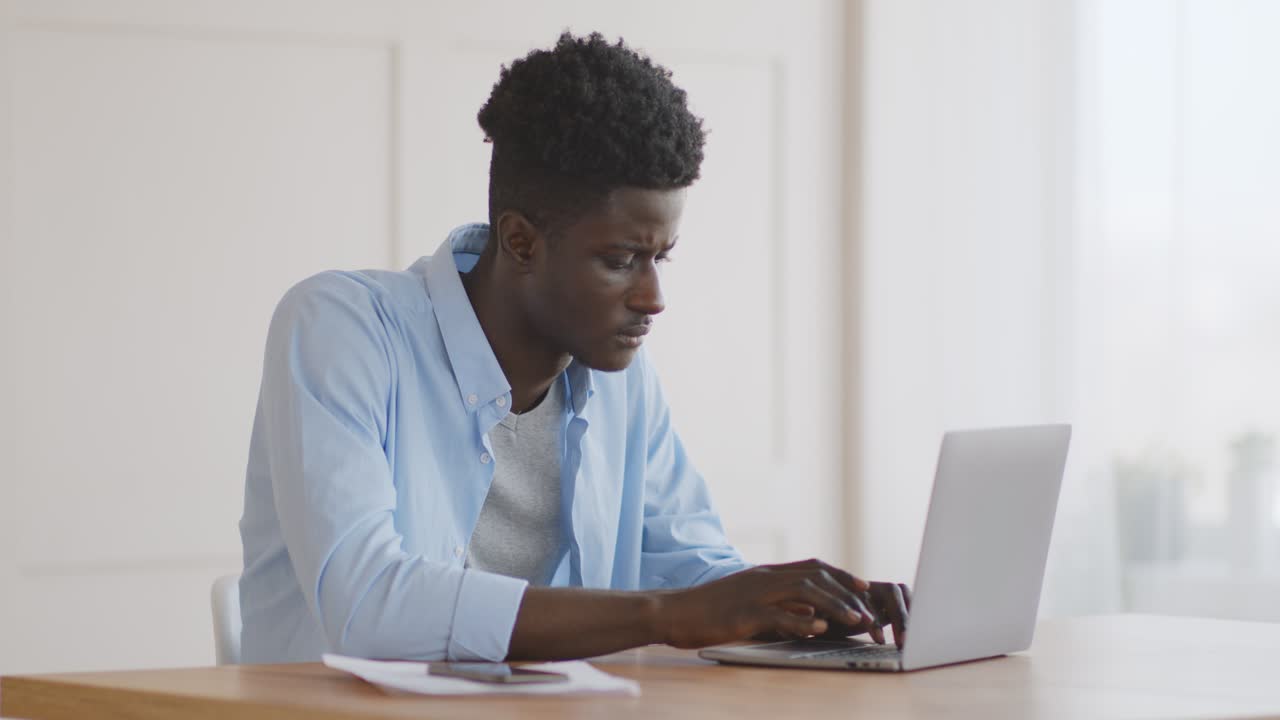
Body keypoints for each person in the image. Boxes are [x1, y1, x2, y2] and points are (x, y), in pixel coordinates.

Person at [239, 31, 908, 664]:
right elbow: (367, 607)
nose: (652, 297)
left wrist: (810, 611)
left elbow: (696, 573)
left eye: (660, 258)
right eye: (620, 259)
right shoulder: (342, 328)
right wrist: (662, 616)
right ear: (522, 241)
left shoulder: (621, 378)